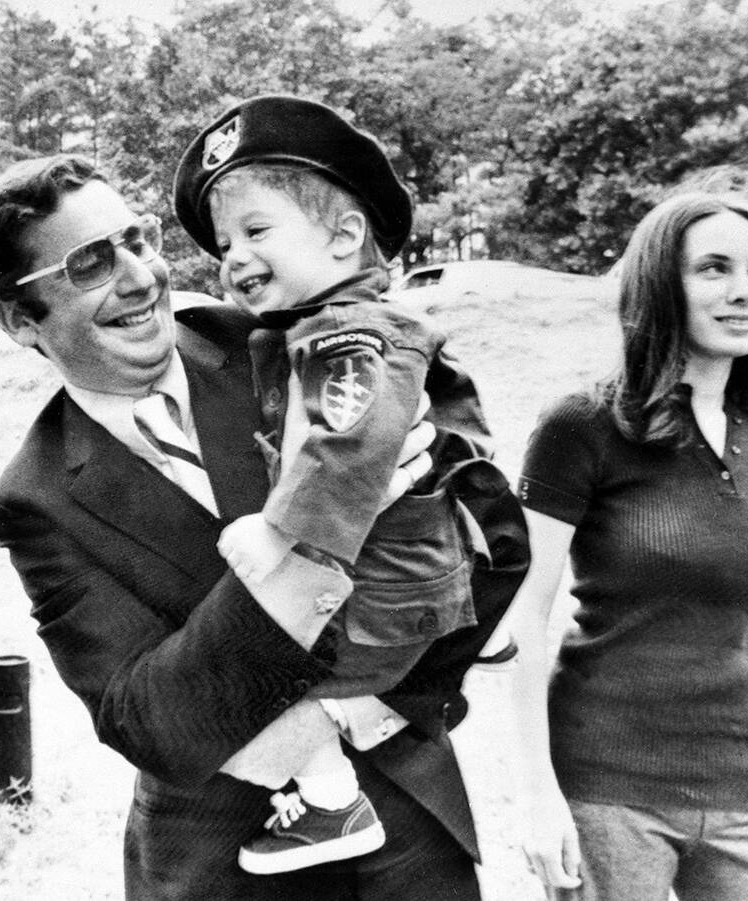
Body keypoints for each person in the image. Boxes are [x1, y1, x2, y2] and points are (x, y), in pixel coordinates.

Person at [0, 151, 528, 900]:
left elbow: (480, 513)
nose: (140, 277)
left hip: (409, 825)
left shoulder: (277, 334)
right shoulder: (34, 498)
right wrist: (308, 548)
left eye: (137, 240)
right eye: (92, 263)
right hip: (222, 865)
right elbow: (148, 718)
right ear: (19, 320)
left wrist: (378, 703)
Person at [172, 94, 503, 875]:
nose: (234, 256)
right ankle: (331, 786)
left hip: (384, 600)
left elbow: (349, 442)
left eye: (257, 230)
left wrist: (276, 533)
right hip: (396, 590)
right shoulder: (321, 326)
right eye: (225, 241)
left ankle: (331, 799)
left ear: (345, 237)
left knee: (252, 680)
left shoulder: (349, 332)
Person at [508, 191, 748, 900]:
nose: (745, 291)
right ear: (659, 285)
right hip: (611, 785)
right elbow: (522, 617)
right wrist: (537, 792)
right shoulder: (581, 425)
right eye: (714, 268)